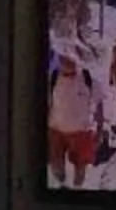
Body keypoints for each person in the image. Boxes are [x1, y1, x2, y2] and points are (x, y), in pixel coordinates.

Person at [45, 43, 105, 188]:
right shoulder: (52, 79)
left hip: (81, 132)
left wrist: (100, 130)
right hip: (56, 130)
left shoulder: (87, 78)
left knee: (80, 166)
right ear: (59, 60)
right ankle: (62, 184)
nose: (67, 62)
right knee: (55, 164)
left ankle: (77, 190)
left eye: (70, 58)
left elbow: (98, 104)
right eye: (64, 58)